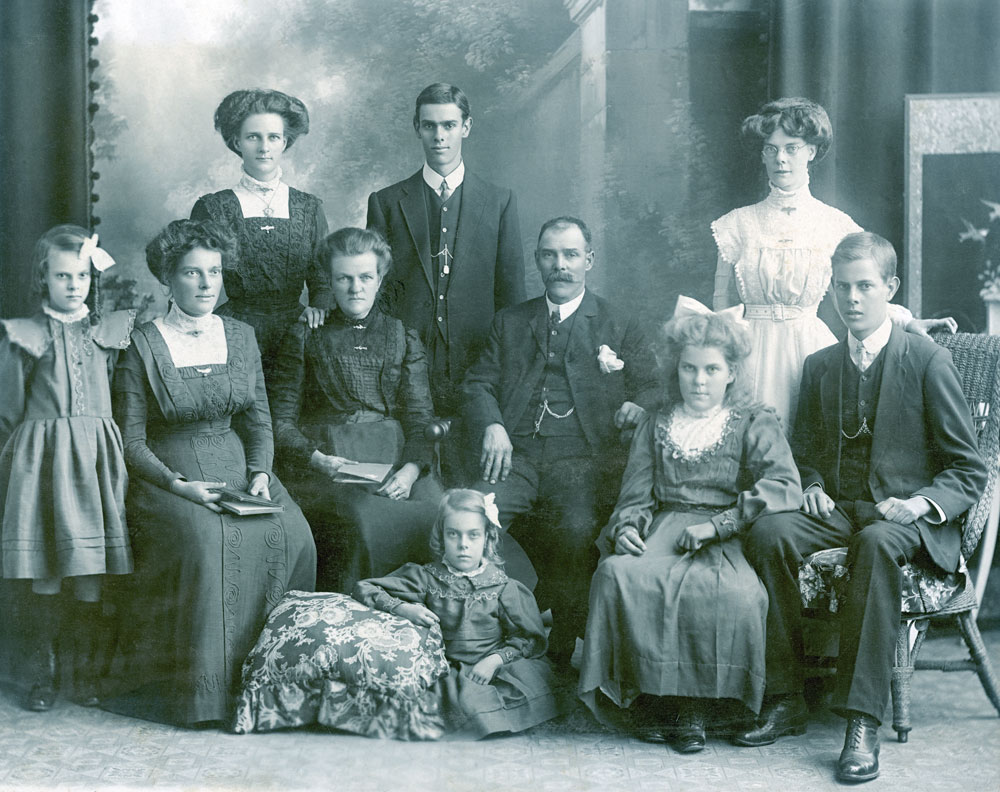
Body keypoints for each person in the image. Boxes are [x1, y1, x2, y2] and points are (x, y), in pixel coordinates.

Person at [736, 233, 986, 782]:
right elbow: (804, 452)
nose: (851, 299)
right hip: (839, 509)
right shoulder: (821, 364)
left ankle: (861, 720)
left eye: (865, 286)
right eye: (842, 287)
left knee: (873, 544)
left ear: (890, 288)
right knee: (768, 534)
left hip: (903, 519)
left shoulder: (928, 360)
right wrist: (811, 483)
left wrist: (920, 503)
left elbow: (969, 469)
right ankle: (786, 695)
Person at [102, 219, 316, 727]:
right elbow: (130, 441)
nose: (205, 284)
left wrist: (260, 473)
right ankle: (205, 697)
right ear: (167, 278)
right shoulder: (141, 344)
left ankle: (276, 688)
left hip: (241, 470)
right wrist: (179, 485)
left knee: (295, 535)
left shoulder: (241, 336)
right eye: (192, 273)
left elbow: (258, 419)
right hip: (167, 476)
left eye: (214, 272)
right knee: (206, 541)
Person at [578, 297, 802, 753]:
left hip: (725, 531)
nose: (699, 381)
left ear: (731, 372)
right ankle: (655, 700)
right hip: (664, 525)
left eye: (711, 370)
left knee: (736, 594)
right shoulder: (657, 422)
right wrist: (628, 527)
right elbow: (636, 493)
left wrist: (720, 525)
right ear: (676, 370)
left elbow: (784, 485)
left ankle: (706, 707)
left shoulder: (753, 420)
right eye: (689, 369)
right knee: (618, 574)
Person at [462, 216, 660, 664]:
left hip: (583, 459)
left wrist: (637, 405)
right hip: (516, 457)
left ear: (588, 260)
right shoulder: (510, 322)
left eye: (571, 255)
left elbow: (652, 386)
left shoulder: (618, 322)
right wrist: (493, 424)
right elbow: (478, 383)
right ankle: (472, 637)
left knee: (575, 531)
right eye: (550, 255)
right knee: (471, 519)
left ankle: (564, 642)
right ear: (537, 261)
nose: (560, 265)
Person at [711, 97, 955, 428]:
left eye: (792, 148)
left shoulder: (835, 225)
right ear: (763, 154)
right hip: (750, 354)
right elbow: (721, 307)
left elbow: (861, 290)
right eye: (771, 149)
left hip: (811, 351)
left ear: (811, 151)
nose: (780, 158)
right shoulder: (736, 224)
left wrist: (907, 321)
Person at [0, 226, 134, 711]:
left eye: (81, 276)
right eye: (62, 276)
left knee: (90, 571)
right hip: (43, 464)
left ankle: (84, 674)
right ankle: (43, 674)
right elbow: (8, 411)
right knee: (48, 571)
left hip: (95, 462)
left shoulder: (106, 333)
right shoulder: (25, 336)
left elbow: (118, 396)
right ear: (44, 278)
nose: (74, 285)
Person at [271, 227, 444, 593]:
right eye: (344, 278)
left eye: (365, 277)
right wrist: (317, 459)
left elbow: (420, 418)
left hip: (397, 460)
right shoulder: (306, 334)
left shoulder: (402, 335)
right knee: (361, 522)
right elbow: (280, 422)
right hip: (329, 468)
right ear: (329, 281)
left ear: (379, 279)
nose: (355, 288)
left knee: (437, 514)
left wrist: (411, 471)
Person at [367, 82, 525, 418]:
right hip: (404, 363)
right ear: (417, 128)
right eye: (430, 126)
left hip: (478, 361)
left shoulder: (499, 201)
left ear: (466, 127)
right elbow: (375, 291)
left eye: (449, 125)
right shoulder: (386, 203)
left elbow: (510, 291)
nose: (439, 136)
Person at [353, 489, 558, 738]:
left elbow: (529, 639)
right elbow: (366, 588)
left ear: (487, 537)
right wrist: (404, 608)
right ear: (441, 536)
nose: (463, 545)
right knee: (431, 703)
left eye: (473, 535)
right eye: (453, 534)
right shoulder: (426, 577)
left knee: (496, 697)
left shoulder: (503, 587)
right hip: (444, 667)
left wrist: (494, 660)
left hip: (490, 665)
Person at [191, 88, 332, 402]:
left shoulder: (309, 207)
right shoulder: (213, 208)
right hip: (235, 332)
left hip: (298, 332)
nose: (264, 147)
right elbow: (195, 275)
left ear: (285, 142)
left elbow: (323, 279)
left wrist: (318, 312)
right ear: (237, 142)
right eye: (253, 137)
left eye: (273, 137)